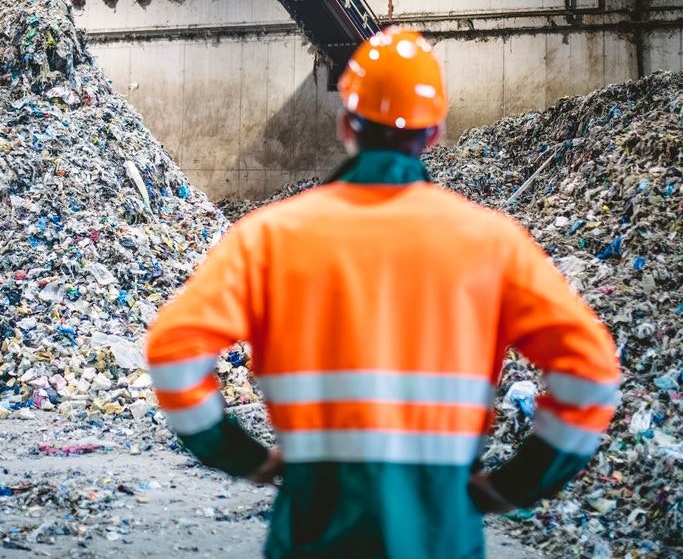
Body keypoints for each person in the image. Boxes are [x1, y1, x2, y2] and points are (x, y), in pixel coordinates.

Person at [145, 27, 620, 558]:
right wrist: (518, 483)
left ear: (346, 123)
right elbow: (592, 373)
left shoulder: (269, 237)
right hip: (440, 533)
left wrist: (239, 455)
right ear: (434, 133)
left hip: (312, 531)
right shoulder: (493, 243)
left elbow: (174, 350)